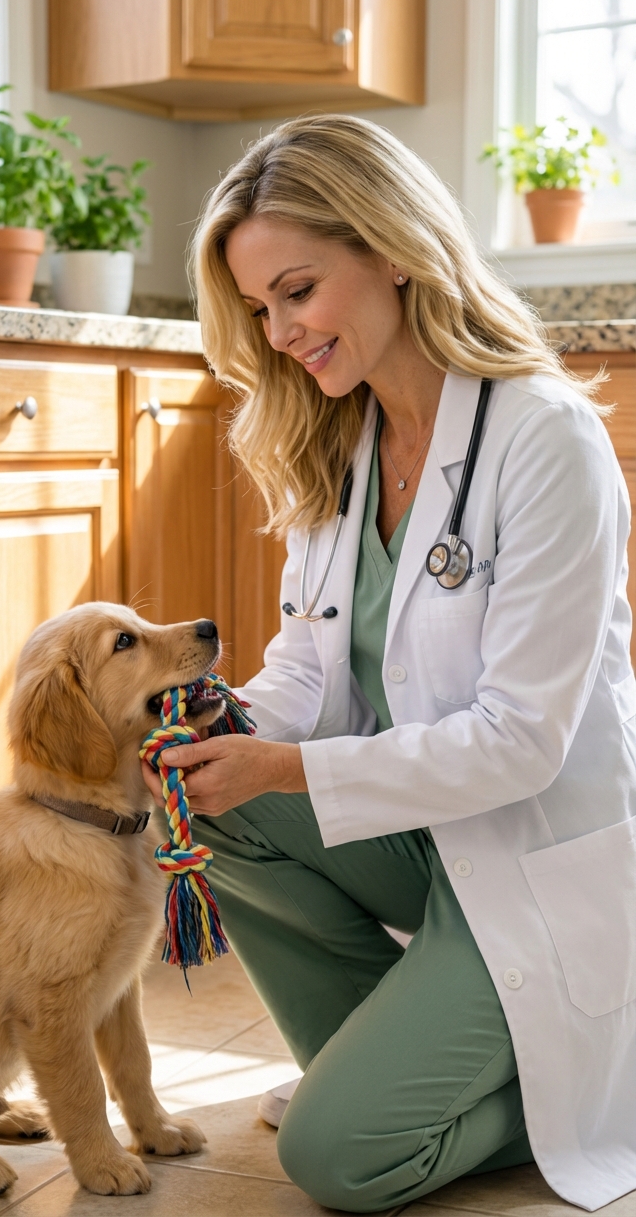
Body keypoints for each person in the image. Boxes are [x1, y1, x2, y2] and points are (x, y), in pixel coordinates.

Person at [140, 115, 636, 1214]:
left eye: (297, 290)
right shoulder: (342, 445)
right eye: (262, 308)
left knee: (339, 1158)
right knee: (207, 798)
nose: (278, 331)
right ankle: (403, 1054)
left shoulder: (541, 437)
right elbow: (310, 676)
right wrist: (215, 727)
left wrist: (280, 768)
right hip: (429, 843)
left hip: (533, 853)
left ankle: (593, 1092)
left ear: (394, 249)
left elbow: (519, 742)